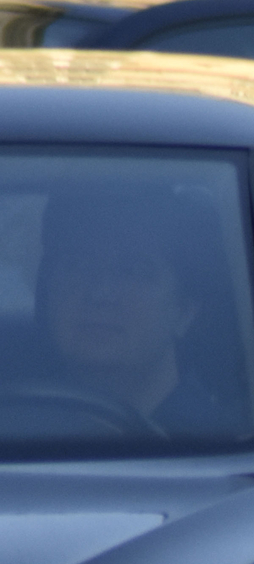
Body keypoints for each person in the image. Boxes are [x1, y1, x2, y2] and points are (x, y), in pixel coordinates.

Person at [35, 186, 233, 437]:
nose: (99, 294)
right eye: (76, 265)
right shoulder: (18, 422)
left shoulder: (217, 445)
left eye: (134, 271)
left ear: (186, 310)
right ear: (47, 288)